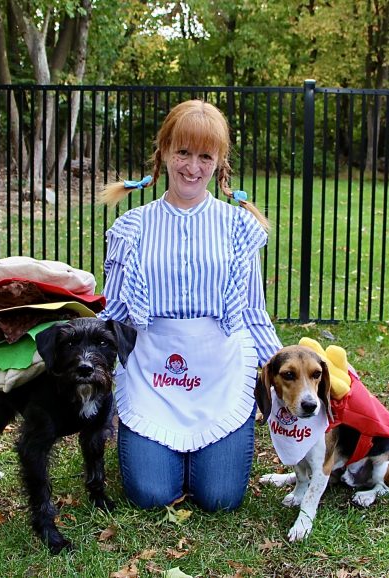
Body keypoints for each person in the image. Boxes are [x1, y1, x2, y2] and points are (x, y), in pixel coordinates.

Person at [97, 99, 282, 512]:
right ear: (164, 152)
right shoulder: (132, 227)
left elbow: (253, 312)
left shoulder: (238, 228)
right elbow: (116, 313)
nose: (192, 167)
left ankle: (202, 456)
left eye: (205, 156)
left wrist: (288, 370)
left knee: (219, 498)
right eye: (183, 152)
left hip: (220, 370)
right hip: (152, 374)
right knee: (150, 494)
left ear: (219, 162)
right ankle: (154, 448)